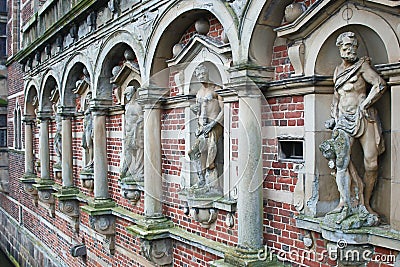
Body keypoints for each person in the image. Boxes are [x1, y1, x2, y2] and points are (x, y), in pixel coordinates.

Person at [324, 32, 386, 217]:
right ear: (339, 48)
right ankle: (344, 202)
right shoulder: (337, 71)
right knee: (341, 162)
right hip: (343, 121)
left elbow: (380, 84)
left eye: (354, 46)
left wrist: (365, 104)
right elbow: (336, 99)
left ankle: (365, 204)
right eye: (347, 46)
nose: (351, 50)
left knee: (372, 164)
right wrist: (334, 117)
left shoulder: (362, 66)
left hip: (363, 118)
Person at [188, 63, 224, 188]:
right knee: (194, 153)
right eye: (198, 75)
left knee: (210, 158)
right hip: (202, 128)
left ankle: (212, 185)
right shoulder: (199, 92)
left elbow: (224, 110)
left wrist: (213, 124)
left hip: (214, 126)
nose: (200, 77)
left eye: (202, 74)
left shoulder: (216, 89)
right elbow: (199, 112)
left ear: (207, 74)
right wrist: (198, 120)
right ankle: (201, 180)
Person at [120, 85, 144, 181]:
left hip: (136, 132)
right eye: (125, 95)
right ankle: (130, 170)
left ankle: (138, 171)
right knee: (129, 152)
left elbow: (142, 117)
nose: (126, 96)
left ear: (133, 94)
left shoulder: (137, 106)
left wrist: (136, 128)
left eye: (128, 94)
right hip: (128, 133)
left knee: (138, 151)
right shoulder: (127, 106)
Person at [82, 92, 94, 172]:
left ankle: (91, 160)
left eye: (89, 97)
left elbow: (94, 119)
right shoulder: (87, 108)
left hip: (90, 127)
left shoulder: (93, 107)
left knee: (90, 144)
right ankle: (90, 160)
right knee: (86, 144)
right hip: (86, 127)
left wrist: (93, 130)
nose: (87, 99)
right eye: (87, 98)